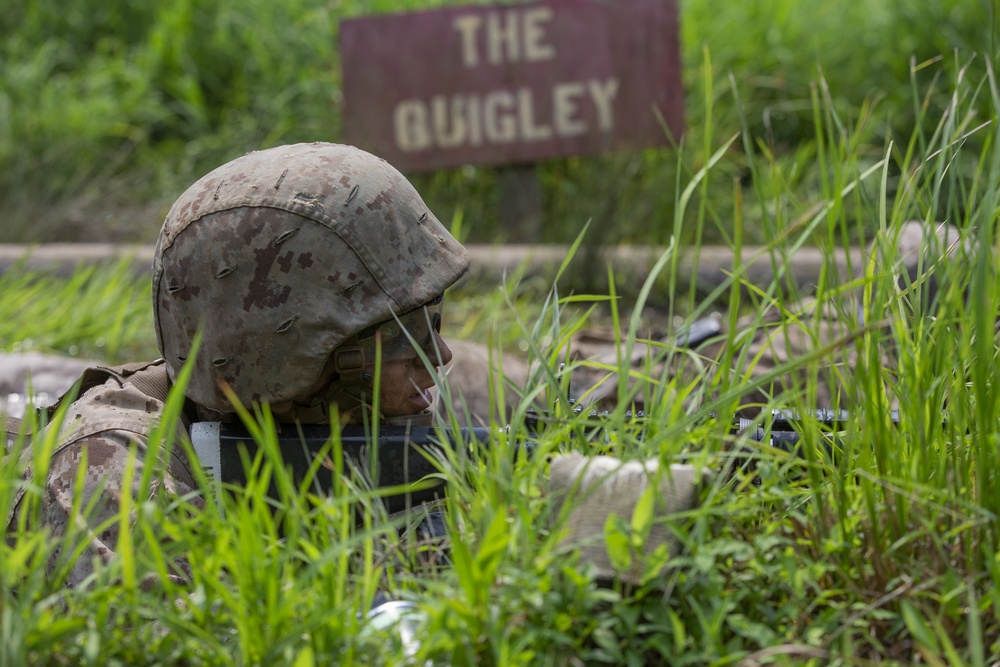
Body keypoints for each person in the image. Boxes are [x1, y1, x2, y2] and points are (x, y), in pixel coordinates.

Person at [6, 142, 703, 590]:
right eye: (405, 336)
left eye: (436, 320)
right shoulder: (105, 479)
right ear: (283, 356)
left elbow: (594, 401)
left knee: (626, 384)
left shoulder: (352, 397)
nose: (439, 355)